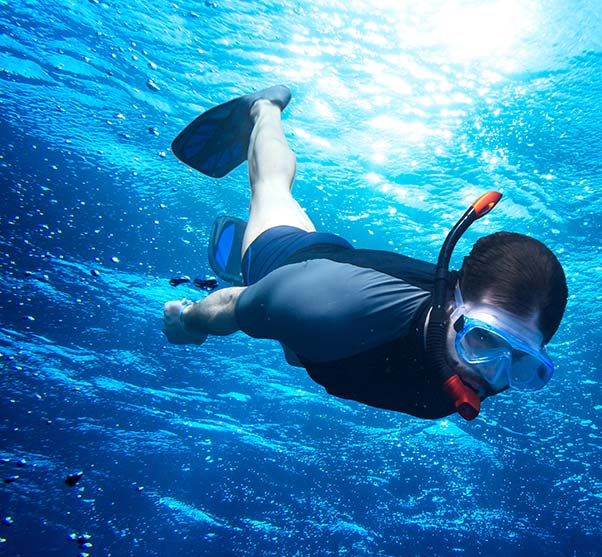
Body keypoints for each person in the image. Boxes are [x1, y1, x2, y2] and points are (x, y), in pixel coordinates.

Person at [162, 85, 568, 420]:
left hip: (335, 323)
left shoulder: (477, 362)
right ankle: (265, 108)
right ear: (452, 305)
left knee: (296, 347)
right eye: (482, 339)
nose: (491, 375)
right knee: (270, 188)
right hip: (293, 265)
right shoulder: (319, 303)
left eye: (522, 363)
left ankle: (290, 333)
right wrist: (190, 322)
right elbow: (232, 306)